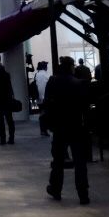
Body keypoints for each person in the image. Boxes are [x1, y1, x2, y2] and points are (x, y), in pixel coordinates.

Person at [42, 57, 90, 205]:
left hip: (59, 127)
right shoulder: (79, 83)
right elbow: (85, 106)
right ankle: (83, 194)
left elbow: (47, 104)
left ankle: (56, 189)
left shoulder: (52, 82)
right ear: (71, 67)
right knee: (80, 162)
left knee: (58, 160)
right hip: (76, 126)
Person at [33, 61, 51, 136]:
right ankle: (44, 130)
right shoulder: (47, 75)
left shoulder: (36, 75)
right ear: (44, 67)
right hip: (46, 98)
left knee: (42, 113)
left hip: (39, 98)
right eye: (46, 66)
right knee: (46, 114)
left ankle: (42, 130)